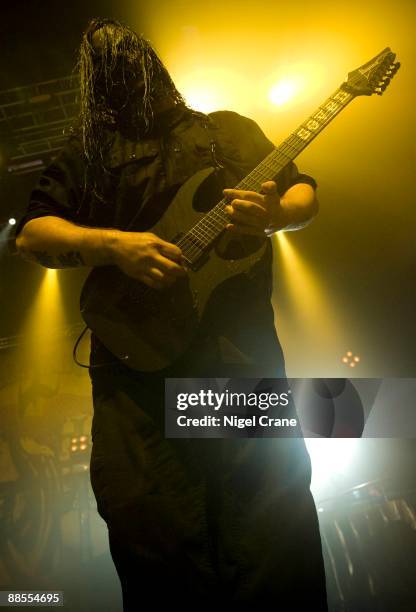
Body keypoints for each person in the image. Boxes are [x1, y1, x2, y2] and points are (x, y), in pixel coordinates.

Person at [15, 18, 327, 609]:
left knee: (267, 526)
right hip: (135, 369)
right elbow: (33, 235)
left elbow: (304, 193)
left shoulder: (227, 132)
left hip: (234, 358)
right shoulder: (88, 154)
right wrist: (114, 246)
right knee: (151, 528)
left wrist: (274, 214)